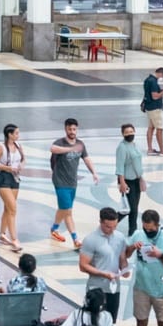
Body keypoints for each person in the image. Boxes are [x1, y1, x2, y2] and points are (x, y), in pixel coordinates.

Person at [48, 117, 97, 248]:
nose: (72, 131)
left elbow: (86, 158)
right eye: (69, 129)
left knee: (64, 209)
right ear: (65, 129)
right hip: (60, 181)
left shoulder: (80, 144)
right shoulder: (60, 142)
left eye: (74, 129)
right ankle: (76, 239)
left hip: (72, 182)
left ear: (77, 129)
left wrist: (94, 172)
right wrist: (69, 149)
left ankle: (54, 229)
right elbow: (52, 148)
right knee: (67, 210)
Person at [78, 206, 129, 314]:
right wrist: (104, 274)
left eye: (115, 226)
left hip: (114, 288)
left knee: (110, 321)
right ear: (100, 222)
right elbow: (83, 266)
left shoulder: (120, 237)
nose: (112, 230)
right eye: (108, 227)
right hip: (96, 289)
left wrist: (125, 268)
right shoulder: (90, 239)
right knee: (93, 321)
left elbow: (122, 258)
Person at [0, 123, 26, 252]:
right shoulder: (1, 147)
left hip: (15, 179)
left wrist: (21, 164)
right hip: (4, 178)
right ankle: (14, 239)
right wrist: (8, 168)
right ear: (9, 135)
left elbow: (23, 159)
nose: (18, 135)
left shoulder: (18, 146)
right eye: (16, 133)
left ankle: (2, 234)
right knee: (13, 209)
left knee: (8, 208)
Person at [113, 123, 144, 234]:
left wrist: (141, 179)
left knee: (134, 207)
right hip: (127, 181)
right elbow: (120, 166)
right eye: (127, 132)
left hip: (136, 180)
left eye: (131, 132)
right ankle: (113, 223)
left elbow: (138, 163)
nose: (129, 134)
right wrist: (122, 182)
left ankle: (132, 230)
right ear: (123, 134)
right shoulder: (122, 147)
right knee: (131, 208)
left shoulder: (135, 145)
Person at [141, 67, 163, 154]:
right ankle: (162, 150)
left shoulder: (147, 80)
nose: (162, 78)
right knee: (159, 128)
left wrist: (160, 90)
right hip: (155, 108)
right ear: (161, 73)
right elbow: (155, 96)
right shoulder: (153, 81)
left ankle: (150, 149)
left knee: (151, 127)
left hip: (149, 107)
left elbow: (149, 93)